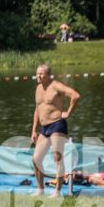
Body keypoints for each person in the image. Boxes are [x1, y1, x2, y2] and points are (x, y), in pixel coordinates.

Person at [29, 64, 79, 197]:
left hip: (57, 124)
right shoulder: (38, 88)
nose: (38, 76)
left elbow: (75, 96)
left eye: (41, 74)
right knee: (36, 159)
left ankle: (57, 191)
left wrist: (68, 112)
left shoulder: (56, 85)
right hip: (44, 128)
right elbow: (38, 109)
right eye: (37, 73)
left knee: (57, 157)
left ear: (48, 75)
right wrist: (34, 130)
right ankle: (40, 189)